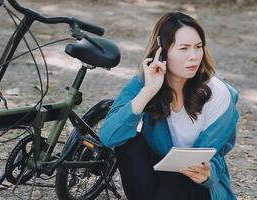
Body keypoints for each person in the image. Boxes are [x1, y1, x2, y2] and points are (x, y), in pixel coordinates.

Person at [99, 12, 239, 200]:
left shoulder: (219, 94)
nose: (194, 56)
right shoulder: (144, 82)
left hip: (196, 185)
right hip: (159, 176)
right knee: (128, 143)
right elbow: (109, 137)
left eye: (198, 47)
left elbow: (215, 155)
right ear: (162, 51)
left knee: (176, 179)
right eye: (183, 48)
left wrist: (208, 172)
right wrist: (148, 91)